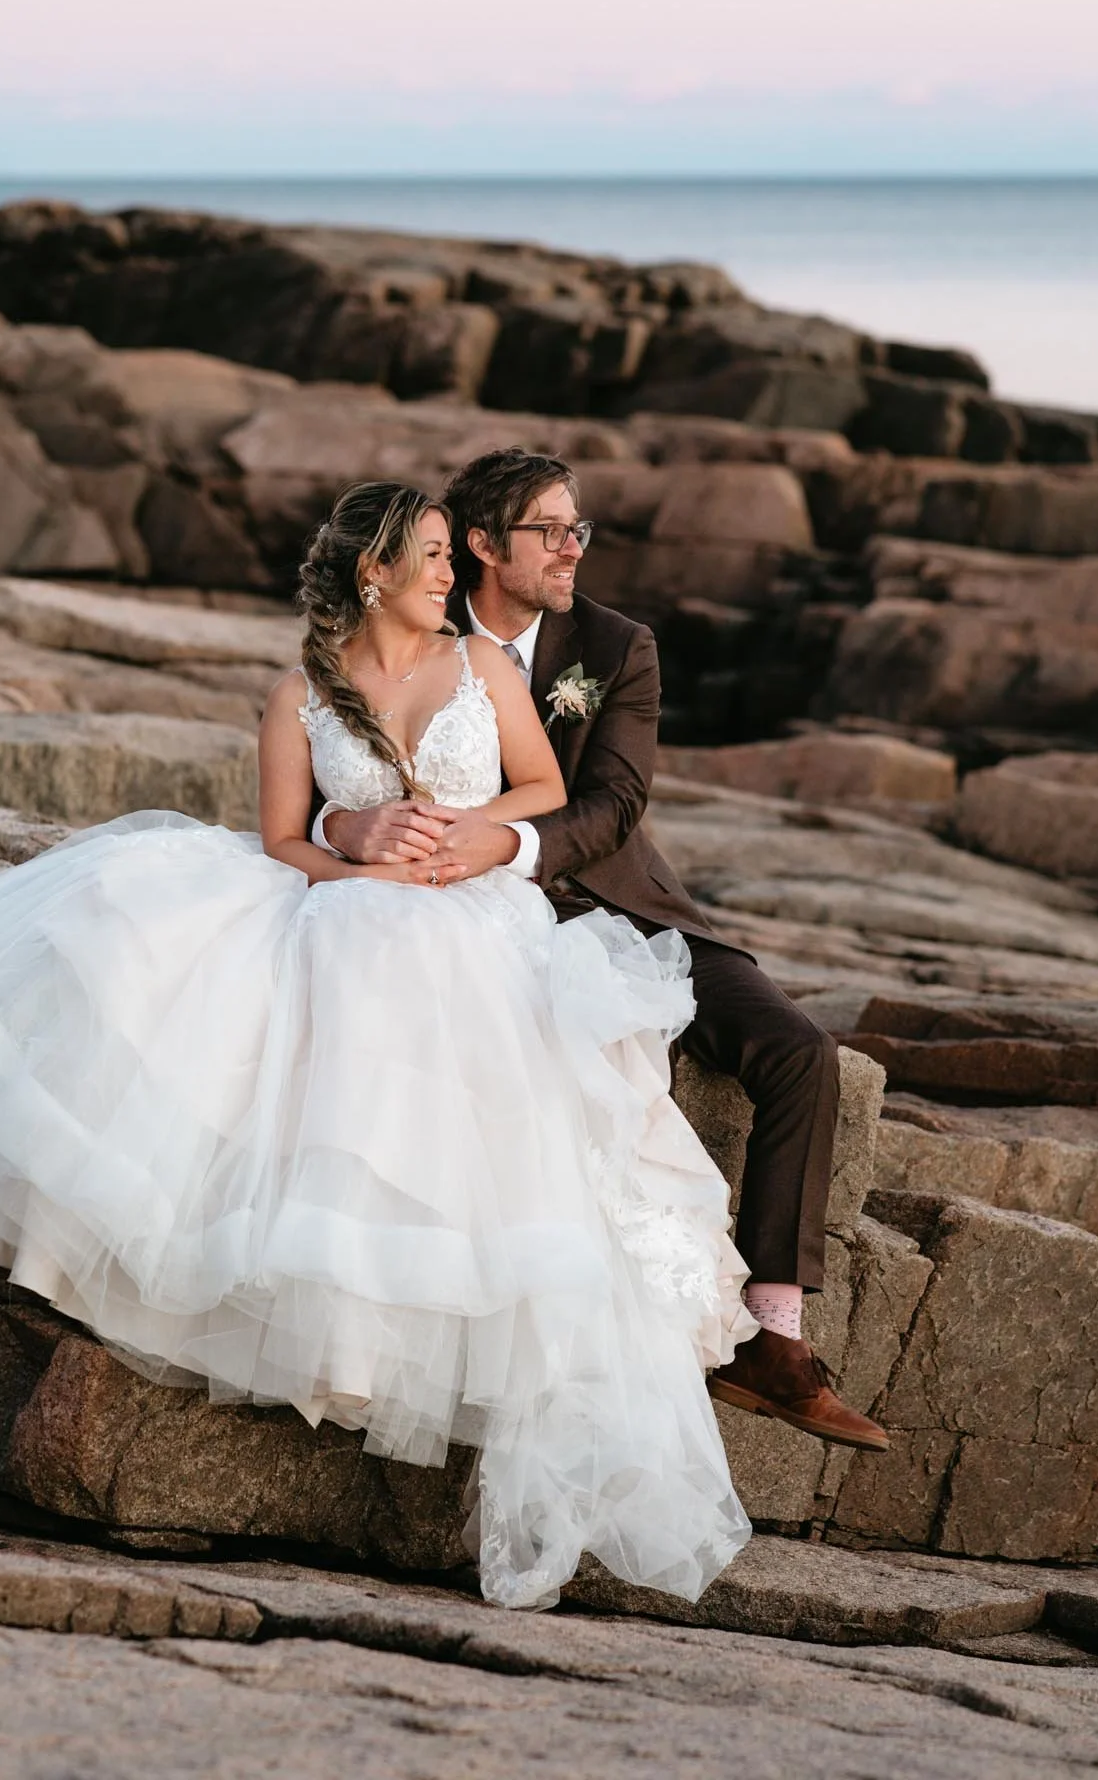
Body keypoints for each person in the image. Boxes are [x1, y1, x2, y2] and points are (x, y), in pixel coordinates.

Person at [0, 480, 757, 1612]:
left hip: (477, 914)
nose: (450, 574)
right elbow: (281, 843)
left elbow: (546, 787)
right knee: (291, 970)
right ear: (372, 571)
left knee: (475, 1049)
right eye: (430, 555)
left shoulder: (482, 669)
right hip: (349, 906)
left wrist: (476, 839)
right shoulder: (300, 692)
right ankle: (332, 1333)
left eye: (450, 552)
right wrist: (353, 848)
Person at [317, 451, 888, 1453]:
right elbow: (339, 767)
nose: (573, 547)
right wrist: (342, 826)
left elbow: (616, 802)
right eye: (549, 529)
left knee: (801, 1050)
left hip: (624, 900)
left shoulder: (616, 646)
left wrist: (508, 844)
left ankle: (775, 1337)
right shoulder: (416, 623)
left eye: (577, 527)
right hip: (471, 922)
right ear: (483, 543)